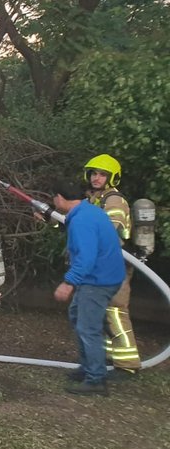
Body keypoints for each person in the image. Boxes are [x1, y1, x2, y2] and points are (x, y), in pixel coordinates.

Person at [49, 180, 127, 396]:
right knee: (78, 316)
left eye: (54, 199)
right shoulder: (88, 211)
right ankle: (88, 368)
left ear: (60, 197)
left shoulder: (82, 220)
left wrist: (68, 282)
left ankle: (96, 379)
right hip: (103, 277)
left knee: (88, 328)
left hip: (98, 281)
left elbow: (87, 257)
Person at [82, 154, 141, 375]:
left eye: (102, 174)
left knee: (116, 312)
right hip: (101, 266)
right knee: (104, 314)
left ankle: (127, 365)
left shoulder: (114, 201)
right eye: (94, 173)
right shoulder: (94, 199)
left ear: (112, 177)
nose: (96, 178)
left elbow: (109, 233)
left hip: (115, 266)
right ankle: (109, 358)